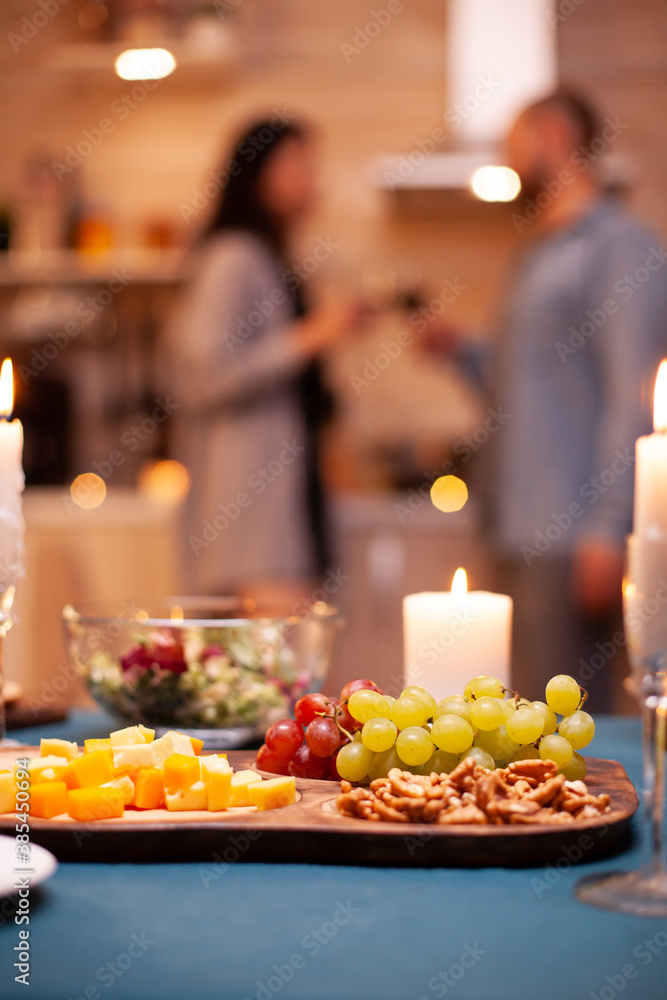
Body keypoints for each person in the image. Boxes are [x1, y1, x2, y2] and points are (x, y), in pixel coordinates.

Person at [425, 90, 667, 711]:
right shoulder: (536, 252)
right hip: (518, 524)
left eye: (515, 141)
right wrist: (465, 354)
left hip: (574, 530)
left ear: (555, 136)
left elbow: (632, 392)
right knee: (529, 717)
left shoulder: (618, 247)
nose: (510, 159)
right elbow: (520, 391)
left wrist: (610, 527)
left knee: (569, 724)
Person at [162, 117, 362, 596]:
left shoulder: (269, 257)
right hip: (248, 521)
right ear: (258, 175)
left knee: (280, 663)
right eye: (300, 167)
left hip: (272, 517)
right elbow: (204, 374)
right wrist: (310, 337)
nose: (314, 182)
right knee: (278, 665)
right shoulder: (235, 257)